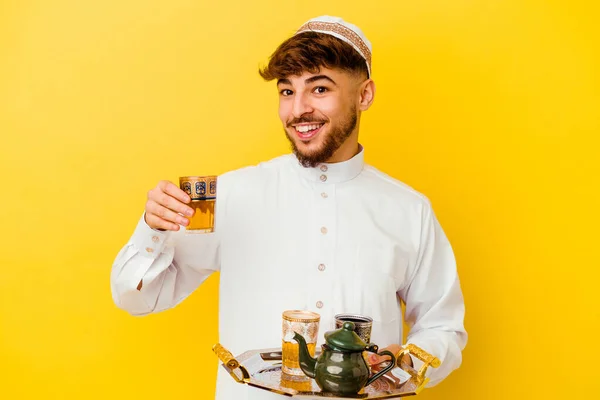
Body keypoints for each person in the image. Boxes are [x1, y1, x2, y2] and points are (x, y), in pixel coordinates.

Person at [111, 15, 467, 400]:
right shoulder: (228, 194)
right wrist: (153, 228)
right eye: (286, 91)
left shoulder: (409, 210)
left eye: (319, 88)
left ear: (364, 95)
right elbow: (137, 298)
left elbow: (443, 326)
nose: (298, 110)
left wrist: (408, 362)